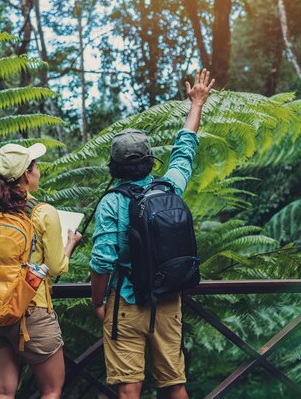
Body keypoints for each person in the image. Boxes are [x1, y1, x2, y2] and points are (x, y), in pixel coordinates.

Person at [90, 69, 214, 399]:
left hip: (126, 304)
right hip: (168, 299)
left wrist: (98, 302)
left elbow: (102, 262)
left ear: (114, 167)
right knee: (174, 385)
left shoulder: (111, 203)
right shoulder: (169, 188)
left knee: (129, 389)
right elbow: (185, 148)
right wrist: (197, 102)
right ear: (149, 162)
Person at [0, 143, 82, 399]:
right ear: (26, 175)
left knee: (3, 391)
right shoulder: (43, 213)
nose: (38, 172)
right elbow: (55, 267)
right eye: (36, 166)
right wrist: (70, 245)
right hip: (31, 312)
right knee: (51, 390)